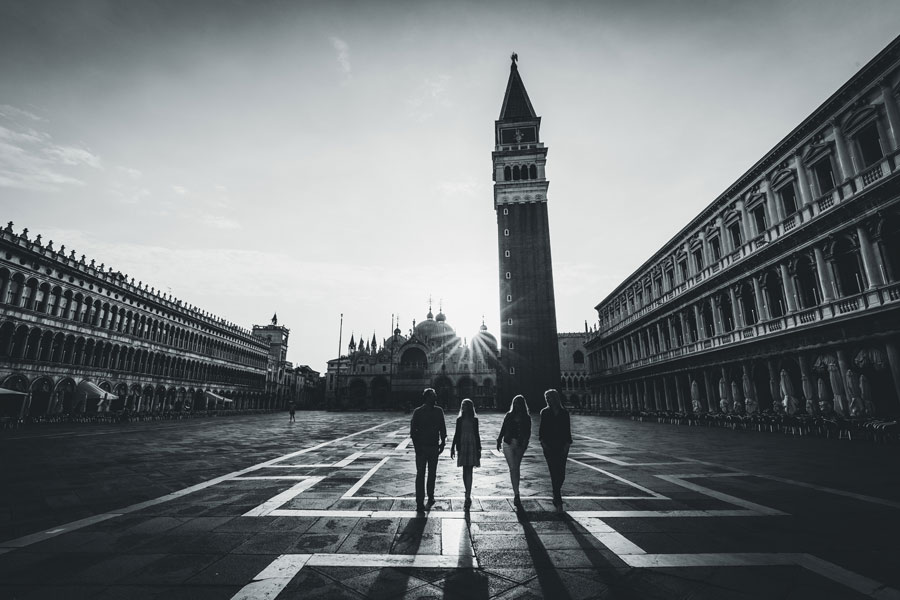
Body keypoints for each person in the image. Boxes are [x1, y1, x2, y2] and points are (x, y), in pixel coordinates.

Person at [409, 388, 446, 512]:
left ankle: (430, 495)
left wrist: (443, 442)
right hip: (423, 447)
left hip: (433, 446)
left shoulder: (438, 411)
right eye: (433, 395)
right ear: (427, 397)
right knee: (421, 474)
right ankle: (420, 501)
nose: (435, 397)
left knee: (432, 473)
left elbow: (442, 427)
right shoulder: (418, 412)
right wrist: (416, 448)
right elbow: (413, 432)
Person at [539, 389, 572, 509]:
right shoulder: (544, 412)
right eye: (546, 398)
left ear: (555, 398)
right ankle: (557, 497)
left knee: (561, 473)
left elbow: (567, 431)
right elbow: (541, 431)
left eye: (549, 397)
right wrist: (544, 444)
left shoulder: (564, 413)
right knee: (554, 472)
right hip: (549, 446)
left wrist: (567, 445)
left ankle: (556, 492)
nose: (548, 400)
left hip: (562, 446)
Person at [497, 394, 531, 508]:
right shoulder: (509, 415)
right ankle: (516, 494)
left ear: (522, 405)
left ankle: (516, 492)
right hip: (508, 443)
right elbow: (503, 428)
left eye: (518, 403)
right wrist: (498, 440)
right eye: (515, 403)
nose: (516, 405)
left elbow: (528, 432)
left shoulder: (526, 417)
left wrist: (525, 444)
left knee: (516, 467)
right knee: (513, 468)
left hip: (520, 444)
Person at [450, 398, 481, 510]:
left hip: (472, 444)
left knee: (470, 469)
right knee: (464, 469)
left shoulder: (474, 420)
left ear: (470, 407)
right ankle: (466, 492)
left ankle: (468, 493)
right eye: (462, 405)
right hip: (462, 444)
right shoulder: (459, 419)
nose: (463, 407)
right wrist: (452, 447)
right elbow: (456, 433)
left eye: (465, 405)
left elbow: (477, 434)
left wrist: (479, 449)